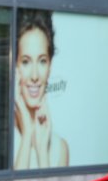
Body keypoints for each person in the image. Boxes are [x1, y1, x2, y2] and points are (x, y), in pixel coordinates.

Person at [12, 10, 69, 169]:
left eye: (42, 61)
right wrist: (27, 134)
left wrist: (42, 152)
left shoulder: (60, 148)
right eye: (26, 62)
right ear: (15, 66)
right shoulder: (5, 143)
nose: (35, 76)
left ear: (50, 66)